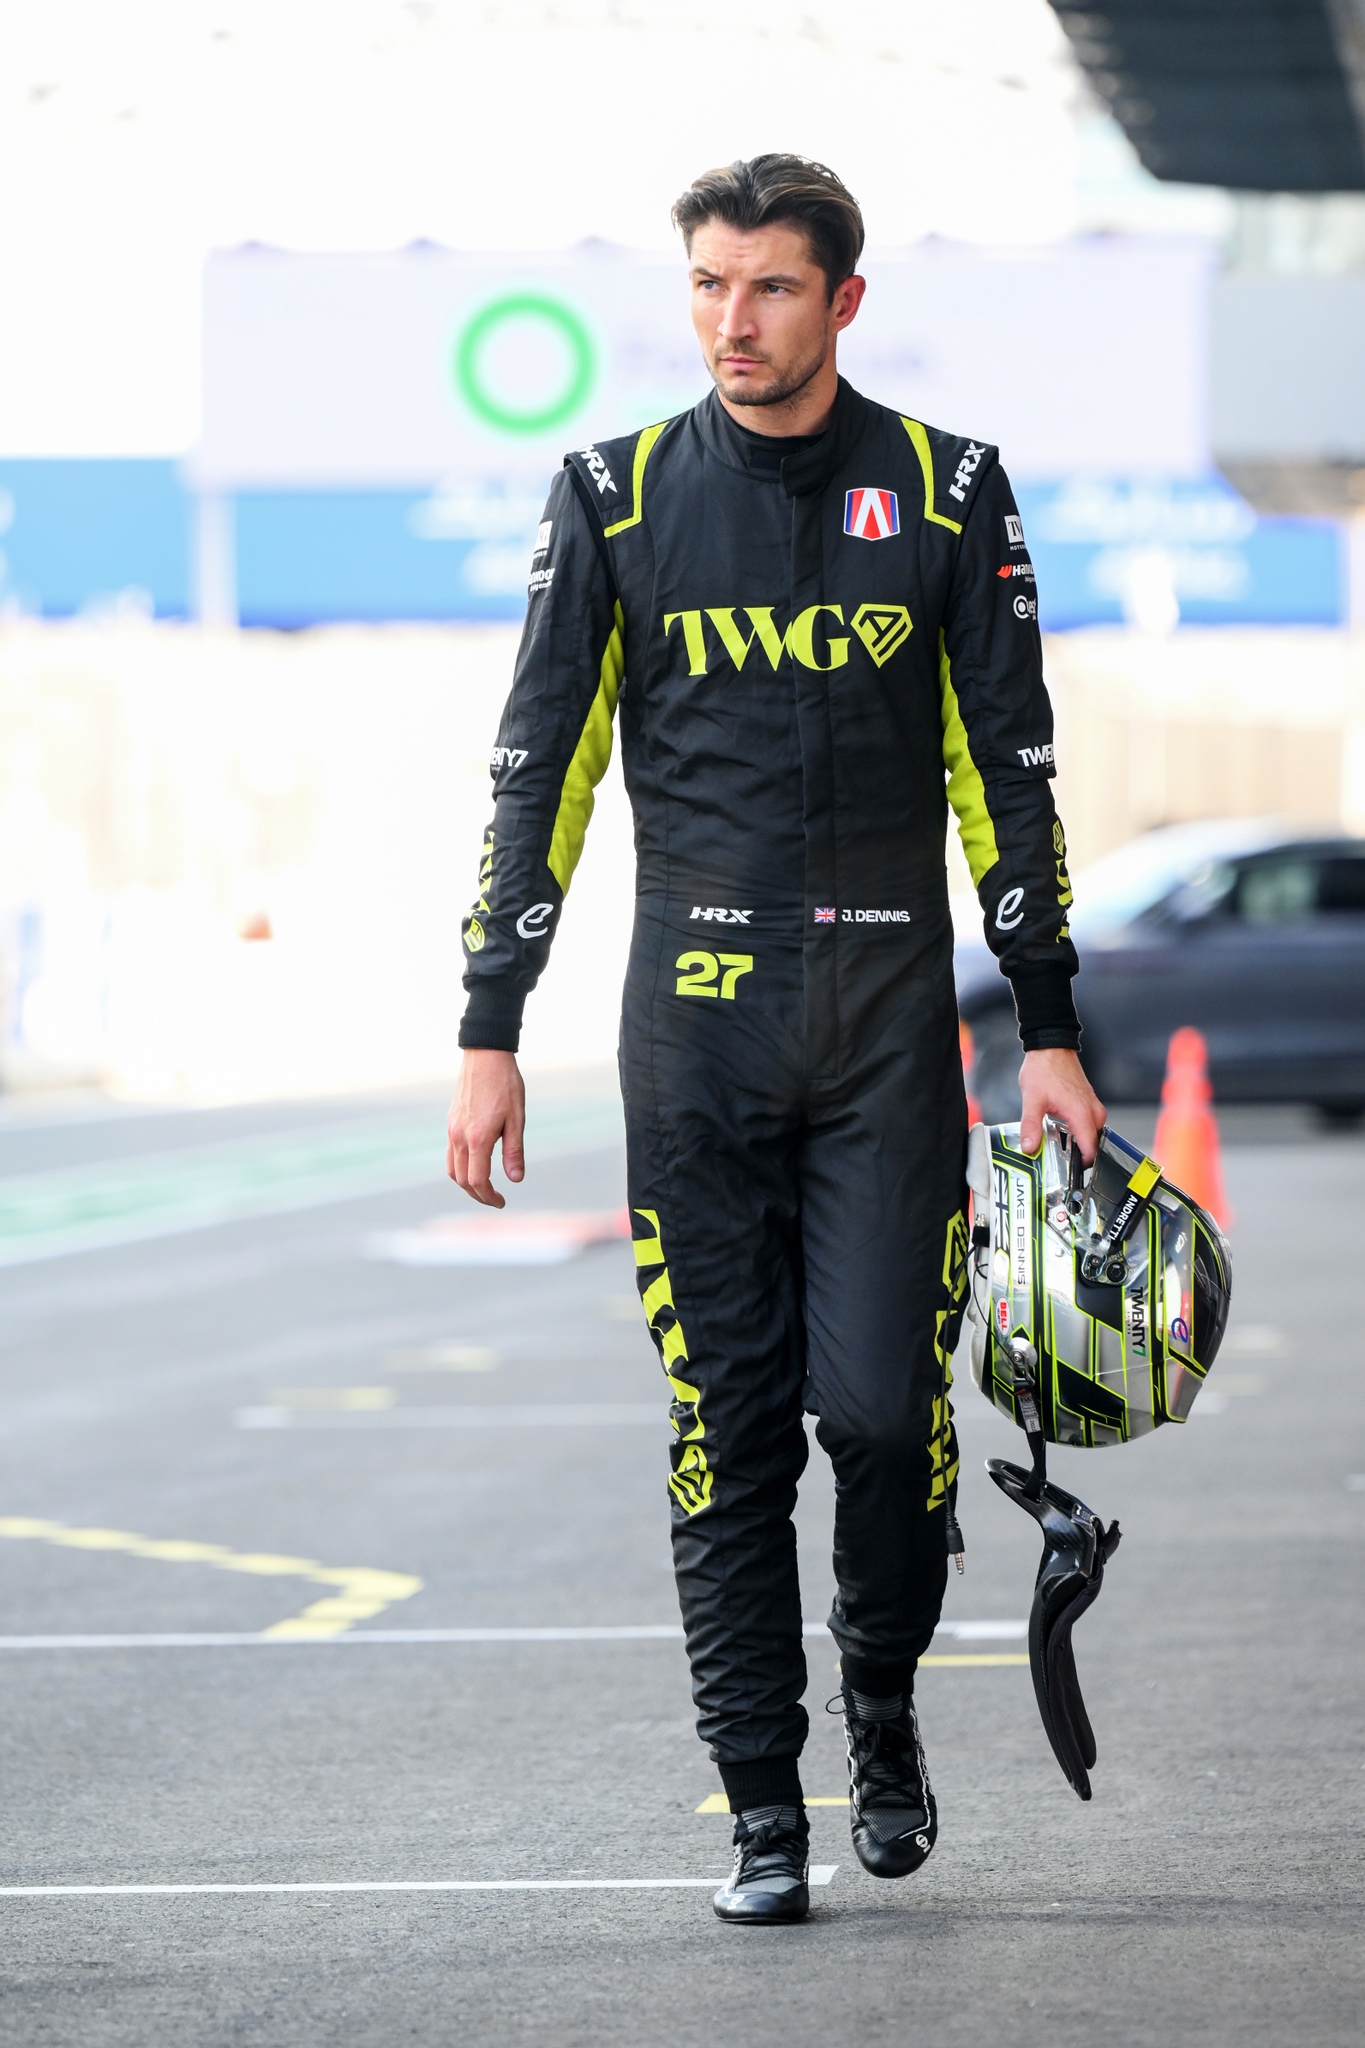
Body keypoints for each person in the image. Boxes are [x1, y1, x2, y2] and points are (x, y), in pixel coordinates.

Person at [446, 154, 1105, 1924]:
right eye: (708, 289)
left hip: (893, 1030)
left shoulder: (952, 491)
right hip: (695, 1035)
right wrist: (486, 1027)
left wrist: (1047, 1025)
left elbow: (1011, 775)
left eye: (771, 289)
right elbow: (541, 774)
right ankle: (760, 1810)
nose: (733, 322)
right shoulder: (611, 493)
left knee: (884, 1420)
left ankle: (880, 1708)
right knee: (722, 1434)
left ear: (844, 302)